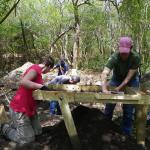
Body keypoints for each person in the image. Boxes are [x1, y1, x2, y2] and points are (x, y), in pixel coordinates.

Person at [0, 56, 54, 145]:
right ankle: (4, 128)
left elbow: (32, 88)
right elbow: (24, 82)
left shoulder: (38, 72)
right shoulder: (36, 68)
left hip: (30, 108)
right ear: (48, 66)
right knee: (27, 140)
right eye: (50, 69)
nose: (49, 71)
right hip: (20, 108)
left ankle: (15, 125)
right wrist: (42, 87)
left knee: (38, 132)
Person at [101, 37, 140, 137]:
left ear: (131, 48)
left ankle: (126, 134)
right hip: (116, 78)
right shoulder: (114, 57)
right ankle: (105, 129)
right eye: (122, 52)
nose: (123, 55)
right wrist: (104, 89)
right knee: (109, 105)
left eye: (125, 53)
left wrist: (119, 88)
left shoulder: (135, 58)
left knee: (128, 108)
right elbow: (105, 73)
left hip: (131, 80)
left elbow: (128, 78)